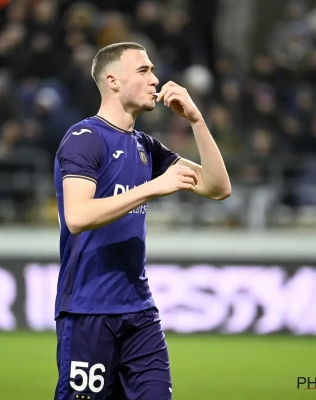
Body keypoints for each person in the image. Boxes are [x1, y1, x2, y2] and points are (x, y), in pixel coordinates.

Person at [53, 42, 231, 400]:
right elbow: (77, 216)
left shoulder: (146, 147)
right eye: (143, 70)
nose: (155, 79)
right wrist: (150, 188)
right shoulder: (84, 139)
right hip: (89, 311)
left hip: (140, 313)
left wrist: (196, 121)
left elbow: (218, 187)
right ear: (113, 81)